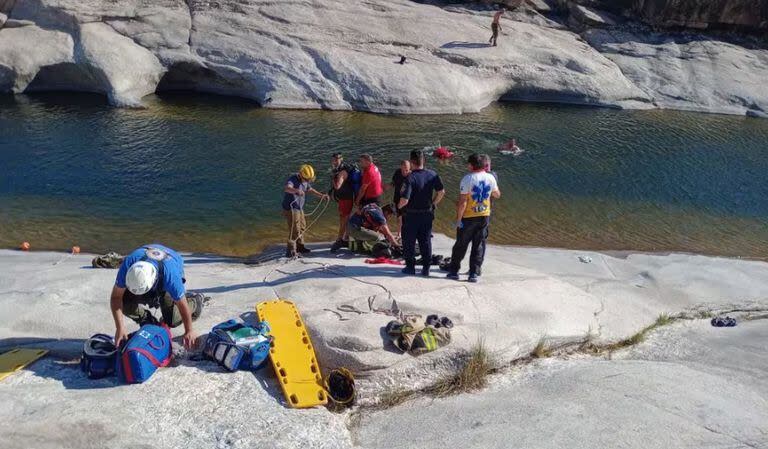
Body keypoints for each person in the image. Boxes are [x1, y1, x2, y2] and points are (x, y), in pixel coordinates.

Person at [110, 244, 203, 349]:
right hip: (148, 252)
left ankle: (196, 301)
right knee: (124, 302)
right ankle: (147, 320)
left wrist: (189, 330)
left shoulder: (171, 276)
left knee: (171, 320)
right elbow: (116, 298)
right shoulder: (128, 265)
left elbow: (182, 305)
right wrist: (120, 327)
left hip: (171, 261)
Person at [447, 153, 501, 283]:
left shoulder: (467, 179)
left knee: (461, 244)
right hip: (484, 215)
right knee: (478, 245)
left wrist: (458, 219)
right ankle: (473, 273)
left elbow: (463, 202)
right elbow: (497, 194)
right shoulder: (490, 178)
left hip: (469, 217)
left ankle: (454, 271)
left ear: (471, 165)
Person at [398, 149, 445, 276]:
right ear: (423, 160)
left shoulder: (410, 178)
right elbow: (441, 192)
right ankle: (426, 268)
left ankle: (410, 267)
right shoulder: (432, 174)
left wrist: (398, 207)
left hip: (412, 215)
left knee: (409, 241)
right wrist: (434, 203)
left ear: (412, 162)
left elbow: (405, 200)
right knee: (425, 241)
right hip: (427, 214)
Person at [282, 164, 329, 258]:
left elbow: (310, 189)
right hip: (291, 208)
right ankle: (291, 251)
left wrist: (321, 195)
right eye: (307, 179)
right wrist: (296, 191)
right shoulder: (293, 178)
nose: (308, 181)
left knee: (302, 226)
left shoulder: (305, 180)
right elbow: (287, 188)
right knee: (294, 229)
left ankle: (300, 246)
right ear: (301, 175)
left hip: (299, 208)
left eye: (309, 180)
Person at [329, 153, 356, 253]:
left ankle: (339, 239)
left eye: (336, 160)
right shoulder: (338, 170)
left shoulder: (342, 172)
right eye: (333, 160)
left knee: (344, 219)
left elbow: (337, 186)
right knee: (343, 218)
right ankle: (346, 237)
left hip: (346, 199)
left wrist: (332, 177)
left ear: (341, 159)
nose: (334, 162)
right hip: (342, 199)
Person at [387, 159, 411, 236]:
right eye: (403, 170)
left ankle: (407, 233)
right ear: (400, 167)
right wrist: (387, 186)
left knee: (407, 219)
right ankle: (399, 234)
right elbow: (393, 183)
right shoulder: (397, 172)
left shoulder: (412, 176)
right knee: (399, 217)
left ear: (410, 168)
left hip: (407, 200)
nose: (404, 172)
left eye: (406, 170)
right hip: (397, 198)